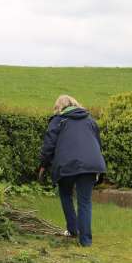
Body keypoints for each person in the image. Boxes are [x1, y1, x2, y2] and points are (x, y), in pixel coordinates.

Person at [38, 95, 106, 247]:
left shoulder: (58, 120)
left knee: (65, 194)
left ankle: (73, 230)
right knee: (85, 202)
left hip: (66, 165)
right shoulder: (90, 120)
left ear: (58, 107)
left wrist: (43, 165)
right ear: (75, 104)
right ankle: (86, 241)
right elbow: (97, 144)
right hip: (90, 165)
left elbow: (48, 146)